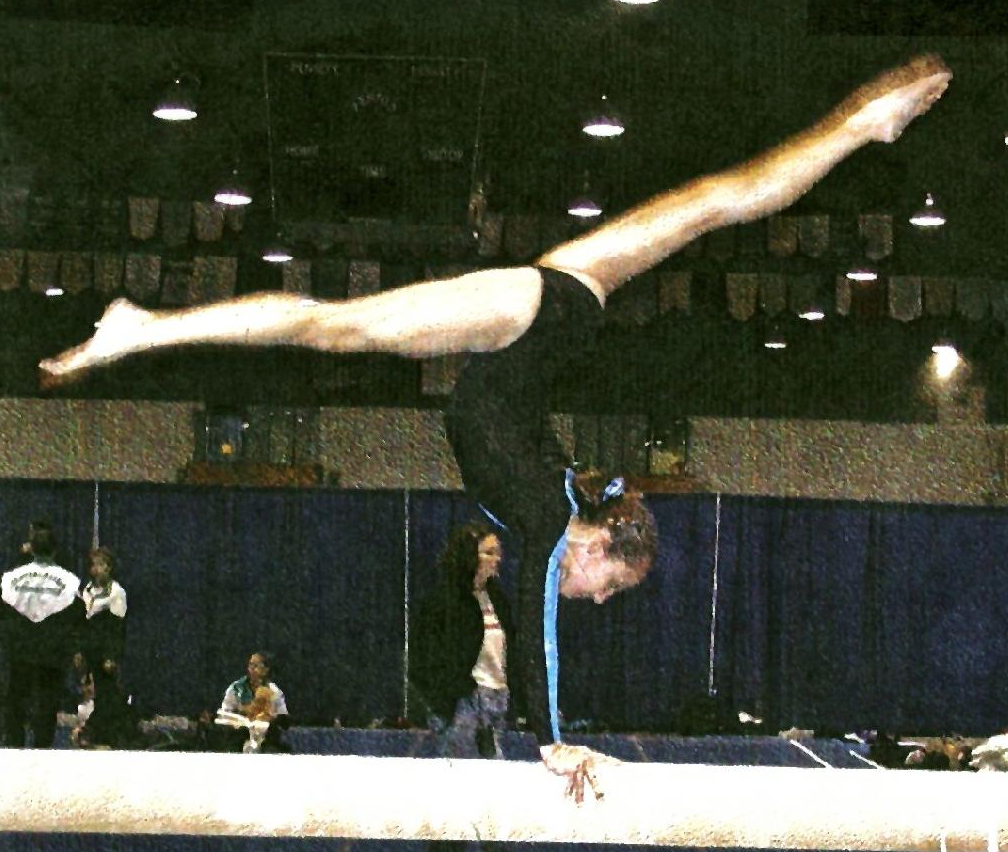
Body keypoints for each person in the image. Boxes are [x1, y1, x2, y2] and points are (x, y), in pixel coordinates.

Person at [39, 55, 952, 796]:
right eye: (608, 584)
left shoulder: (555, 495)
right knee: (335, 326)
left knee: (718, 201)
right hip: (531, 316)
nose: (596, 600)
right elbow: (537, 635)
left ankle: (861, 124)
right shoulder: (554, 520)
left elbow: (558, 545)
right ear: (597, 544)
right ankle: (144, 328)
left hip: (568, 300)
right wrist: (550, 739)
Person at [410, 523, 514, 759]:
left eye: (498, 552)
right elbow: (423, 657)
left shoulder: (497, 599)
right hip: (465, 702)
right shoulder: (444, 601)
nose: (497, 559)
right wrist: (448, 697)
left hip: (498, 698)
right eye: (489, 553)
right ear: (470, 556)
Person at [0, 524, 82, 747]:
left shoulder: (11, 577)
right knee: (47, 701)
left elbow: (4, 609)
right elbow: (77, 615)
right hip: (52, 649)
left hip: (20, 647)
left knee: (16, 698)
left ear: (32, 548)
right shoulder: (69, 581)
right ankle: (42, 746)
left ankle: (14, 744)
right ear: (54, 551)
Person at [218, 651, 290, 753]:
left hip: (266, 738)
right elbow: (225, 714)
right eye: (250, 665)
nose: (251, 669)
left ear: (266, 670)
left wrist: (271, 717)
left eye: (256, 666)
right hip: (239, 736)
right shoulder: (235, 688)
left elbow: (284, 722)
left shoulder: (274, 691)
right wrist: (245, 713)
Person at [78, 546, 128, 678]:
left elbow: (117, 628)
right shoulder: (87, 590)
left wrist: (111, 657)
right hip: (88, 649)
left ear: (109, 567)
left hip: (104, 653)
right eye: (93, 565)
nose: (96, 569)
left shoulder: (116, 592)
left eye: (100, 564)